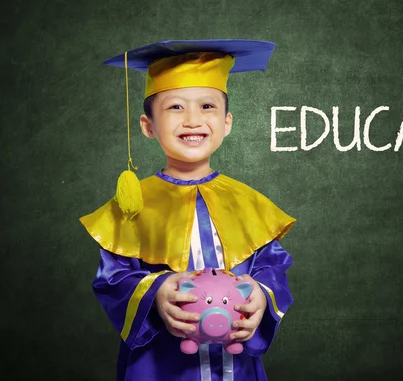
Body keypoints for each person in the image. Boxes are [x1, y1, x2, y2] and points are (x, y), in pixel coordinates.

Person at [79, 39, 296, 381]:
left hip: (236, 365)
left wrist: (260, 296)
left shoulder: (246, 201)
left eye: (207, 106)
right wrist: (157, 291)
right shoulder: (133, 204)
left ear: (227, 122)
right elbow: (113, 279)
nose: (193, 120)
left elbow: (273, 268)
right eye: (176, 107)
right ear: (148, 126)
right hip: (159, 366)